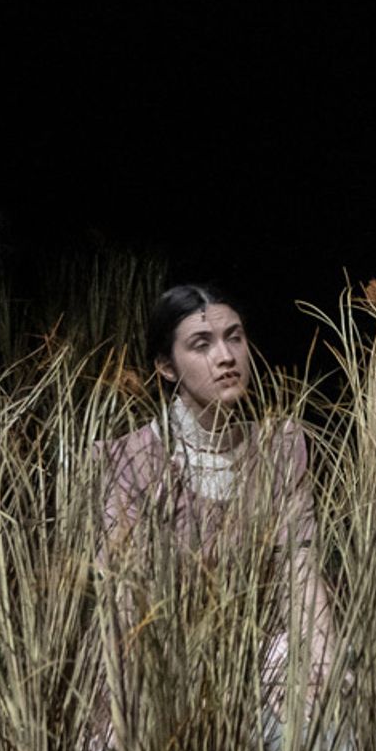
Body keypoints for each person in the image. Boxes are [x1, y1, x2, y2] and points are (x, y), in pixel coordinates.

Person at [100, 281, 337, 713]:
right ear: (167, 367)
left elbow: (300, 573)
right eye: (201, 344)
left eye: (235, 337)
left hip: (265, 659)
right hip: (167, 666)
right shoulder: (128, 461)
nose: (226, 357)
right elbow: (125, 602)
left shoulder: (280, 446)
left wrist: (323, 665)